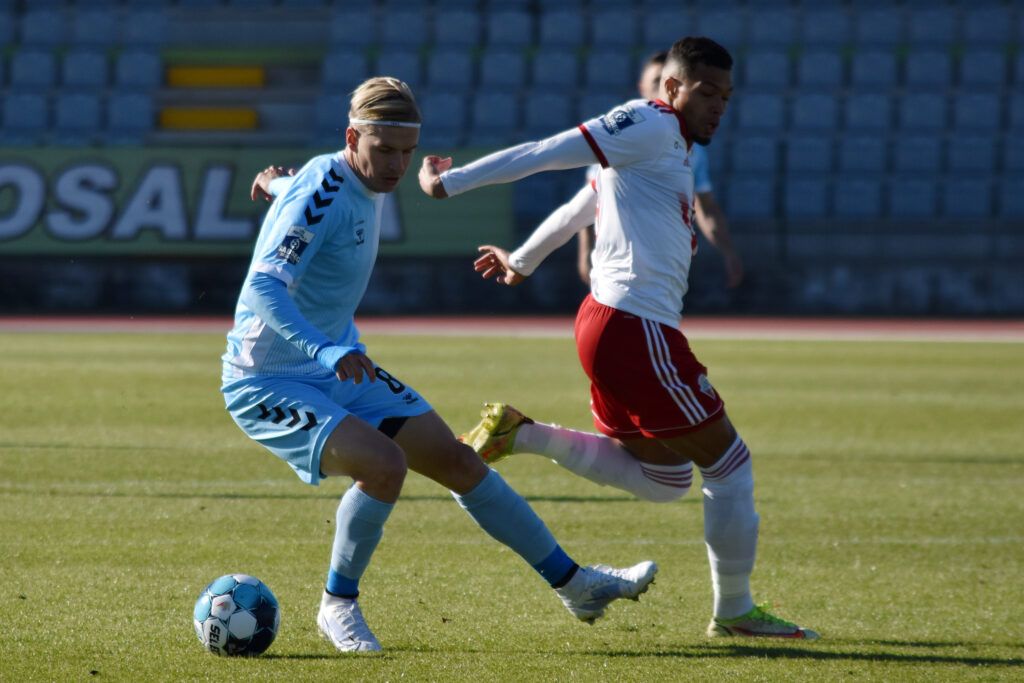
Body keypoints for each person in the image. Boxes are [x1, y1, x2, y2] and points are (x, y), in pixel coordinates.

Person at [221, 77, 658, 654]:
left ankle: (575, 585)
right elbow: (262, 289)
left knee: (457, 460)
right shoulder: (321, 189)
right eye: (384, 150)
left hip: (336, 366)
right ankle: (337, 606)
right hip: (267, 380)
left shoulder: (346, 179)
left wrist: (275, 184)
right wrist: (325, 349)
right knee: (384, 466)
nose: (397, 166)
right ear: (352, 138)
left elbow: (305, 199)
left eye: (407, 151)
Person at [419, 39, 817, 640]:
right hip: (634, 327)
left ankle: (522, 434)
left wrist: (522, 261)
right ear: (673, 88)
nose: (719, 107)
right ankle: (735, 612)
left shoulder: (666, 146)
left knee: (666, 480)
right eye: (707, 93)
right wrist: (448, 184)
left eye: (727, 97)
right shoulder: (649, 122)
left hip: (613, 327)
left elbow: (584, 203)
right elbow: (546, 152)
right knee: (730, 465)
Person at [575, 51, 743, 290]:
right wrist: (585, 252)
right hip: (618, 259)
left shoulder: (693, 149)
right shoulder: (616, 135)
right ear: (641, 87)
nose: (663, 90)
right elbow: (589, 200)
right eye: (656, 82)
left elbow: (705, 208)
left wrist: (728, 252)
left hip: (663, 264)